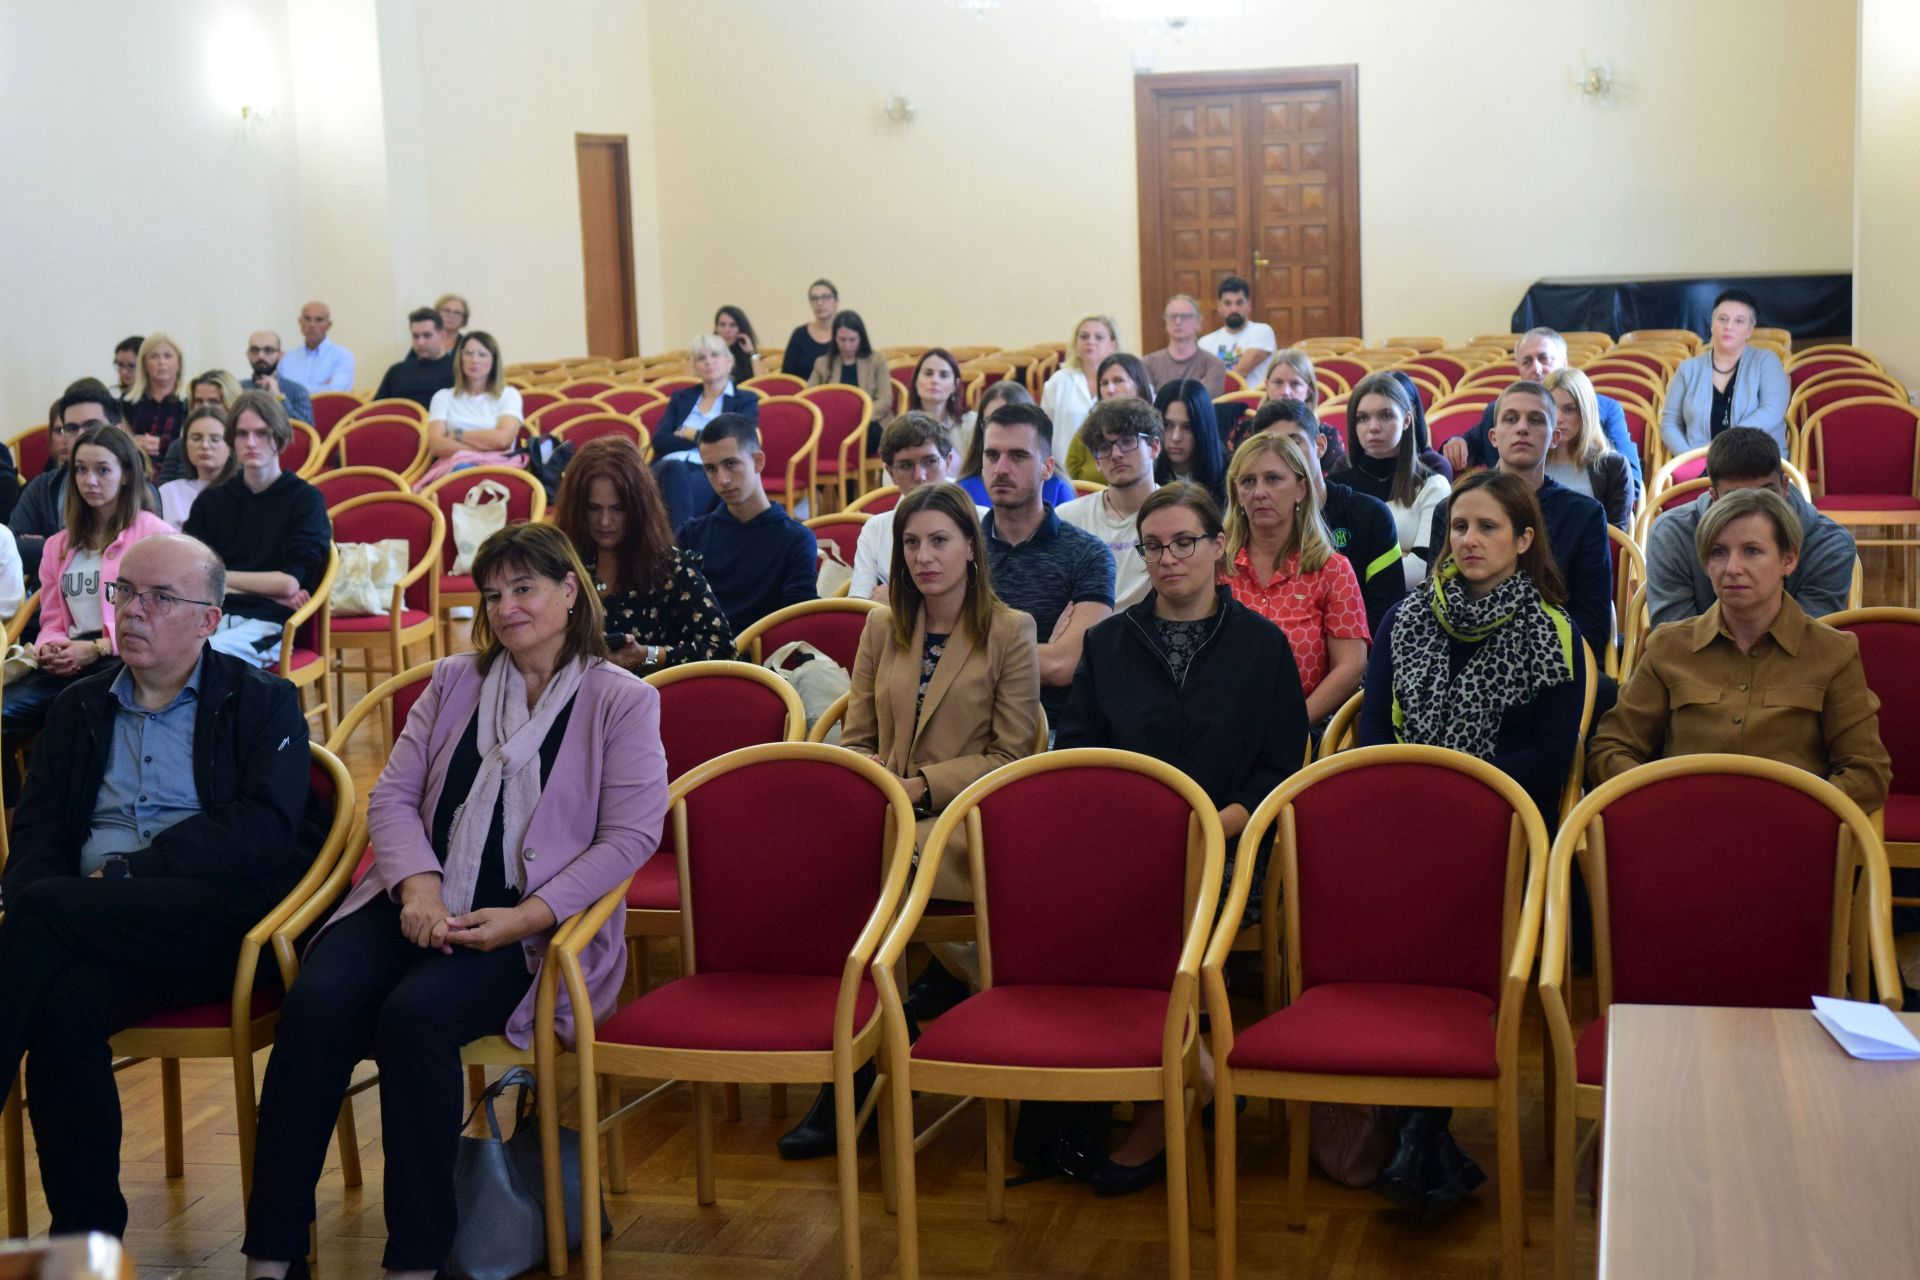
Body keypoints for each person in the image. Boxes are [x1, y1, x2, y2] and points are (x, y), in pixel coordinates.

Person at [242, 522, 668, 1280]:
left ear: (570, 591)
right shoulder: (453, 681)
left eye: (524, 589)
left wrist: (528, 916)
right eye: (493, 594)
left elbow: (631, 837)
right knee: (316, 1001)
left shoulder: (620, 700)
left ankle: (417, 1256)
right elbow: (395, 797)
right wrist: (419, 885)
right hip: (413, 897)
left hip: (526, 925)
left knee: (415, 1019)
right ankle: (273, 1252)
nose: (506, 609)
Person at [0, 534, 315, 1241]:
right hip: (98, 926)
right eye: (124, 592)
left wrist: (131, 873)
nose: (132, 611)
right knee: (59, 1008)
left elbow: (262, 831)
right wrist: (59, 893)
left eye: (159, 597)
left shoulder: (261, 702)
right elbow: (41, 834)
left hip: (219, 926)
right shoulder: (79, 707)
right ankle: (86, 1240)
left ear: (209, 619)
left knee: (42, 912)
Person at [1057, 482, 1308, 1194]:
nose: (1168, 559)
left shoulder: (1261, 647)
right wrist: (1129, 830)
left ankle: (1163, 1089)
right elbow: (1079, 753)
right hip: (1124, 846)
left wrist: (1211, 825)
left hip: (1230, 846)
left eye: (1183, 543)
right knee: (1066, 902)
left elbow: (1282, 766)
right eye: (1154, 546)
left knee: (1156, 903)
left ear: (1217, 546)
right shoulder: (1109, 642)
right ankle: (1181, 1070)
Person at [780, 483, 1041, 1160]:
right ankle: (865, 1053)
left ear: (970, 551)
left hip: (966, 822)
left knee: (854, 876)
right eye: (912, 543)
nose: (924, 556)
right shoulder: (882, 626)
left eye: (940, 541)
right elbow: (858, 733)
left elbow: (1013, 754)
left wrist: (921, 787)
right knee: (819, 859)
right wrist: (872, 782)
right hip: (888, 814)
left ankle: (861, 1069)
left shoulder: (1011, 631)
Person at [1357, 469, 1588, 1221]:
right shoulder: (1406, 618)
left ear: (1524, 541)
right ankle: (1422, 1135)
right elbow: (1370, 737)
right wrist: (1415, 800)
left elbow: (1549, 763)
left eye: (1488, 528)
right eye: (1459, 528)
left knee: (1445, 909)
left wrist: (1453, 793)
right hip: (1401, 818)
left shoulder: (1552, 630)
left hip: (1504, 829)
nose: (1469, 541)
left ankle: (1419, 1131)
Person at [1590, 486, 1889, 812]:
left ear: (1788, 560)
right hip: (1683, 829)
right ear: (1705, 563)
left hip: (1791, 841)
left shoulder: (1833, 652)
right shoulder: (1669, 646)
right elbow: (1611, 748)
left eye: (1751, 551)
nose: (1732, 567)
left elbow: (1867, 771)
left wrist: (1801, 817)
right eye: (1718, 552)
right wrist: (1662, 803)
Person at [1, 423, 173, 769]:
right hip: (68, 661)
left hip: (126, 661)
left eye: (102, 470)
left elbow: (161, 621)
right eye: (81, 470)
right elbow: (52, 619)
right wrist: (51, 645)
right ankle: (11, 816)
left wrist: (96, 648)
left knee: (72, 720)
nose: (89, 480)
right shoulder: (59, 545)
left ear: (126, 474)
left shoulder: (155, 536)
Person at [1429, 382, 1612, 663]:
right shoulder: (1453, 510)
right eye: (1511, 419)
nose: (1522, 428)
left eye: (1536, 420)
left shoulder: (1584, 515)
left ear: (1554, 437)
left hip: (1550, 661)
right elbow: (1437, 600)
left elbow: (1591, 624)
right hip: (1465, 655)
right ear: (1493, 436)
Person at [978, 401, 1114, 725]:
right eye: (992, 455)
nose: (1001, 468)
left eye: (1018, 456)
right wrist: (1036, 651)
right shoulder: (958, 550)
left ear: (1047, 467)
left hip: (1052, 731)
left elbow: (1062, 666)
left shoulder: (1089, 555)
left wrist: (964, 653)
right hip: (965, 726)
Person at [1224, 431, 1369, 725]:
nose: (1259, 492)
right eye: (1248, 481)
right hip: (1221, 727)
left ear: (1301, 489)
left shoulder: (1333, 570)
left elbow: (1351, 667)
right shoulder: (1215, 568)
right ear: (1236, 493)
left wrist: (1291, 725)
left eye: (1273, 479)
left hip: (1305, 729)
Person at [553, 436, 733, 669]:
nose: (605, 521)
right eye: (593, 508)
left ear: (638, 508)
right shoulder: (559, 564)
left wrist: (649, 655)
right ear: (577, 509)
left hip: (657, 696)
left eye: (618, 509)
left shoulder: (669, 567)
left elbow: (723, 649)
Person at [1646, 427, 1854, 626]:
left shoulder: (1829, 544)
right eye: (1736, 498)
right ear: (1714, 497)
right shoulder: (1672, 535)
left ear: (1785, 486)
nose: (1755, 508)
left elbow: (1811, 642)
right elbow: (1674, 641)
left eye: (1767, 493)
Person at [182, 392, 332, 667]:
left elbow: (289, 582)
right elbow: (192, 578)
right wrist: (268, 588)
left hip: (272, 623)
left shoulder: (305, 500)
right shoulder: (212, 501)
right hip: (213, 615)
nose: (251, 443)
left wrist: (221, 579)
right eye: (242, 434)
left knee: (204, 658)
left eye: (262, 433)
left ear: (280, 437)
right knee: (165, 654)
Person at [1441, 328, 1644, 493]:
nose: (1536, 369)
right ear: (1518, 368)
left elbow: (1631, 482)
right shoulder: (1501, 411)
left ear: (1564, 363)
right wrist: (1456, 442)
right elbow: (1470, 444)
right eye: (1527, 362)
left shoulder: (1606, 409)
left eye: (1544, 359)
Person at [674, 414, 818, 635]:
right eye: (711, 469)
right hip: (700, 662)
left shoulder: (795, 539)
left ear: (758, 461)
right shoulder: (691, 535)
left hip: (767, 665)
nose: (722, 479)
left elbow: (797, 626)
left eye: (731, 464)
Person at [1331, 373, 1452, 588]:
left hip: (1406, 611)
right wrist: (1399, 557)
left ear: (1406, 420)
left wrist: (1352, 566)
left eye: (1385, 416)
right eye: (1363, 418)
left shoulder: (1433, 485)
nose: (1373, 427)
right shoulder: (1334, 486)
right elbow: (1317, 567)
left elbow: (1422, 571)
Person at [850, 412, 985, 602]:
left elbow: (992, 600)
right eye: (906, 466)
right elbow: (860, 605)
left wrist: (899, 598)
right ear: (890, 472)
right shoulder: (875, 530)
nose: (920, 476)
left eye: (930, 462)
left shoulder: (982, 521)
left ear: (947, 462)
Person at [1659, 288, 1793, 456]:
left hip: (1757, 458)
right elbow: (1669, 422)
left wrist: (1726, 445)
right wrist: (1689, 457)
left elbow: (1772, 411)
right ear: (1712, 324)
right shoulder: (1688, 369)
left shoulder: (1766, 362)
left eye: (1739, 321)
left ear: (1750, 330)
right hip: (1698, 462)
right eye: (1722, 319)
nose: (1729, 326)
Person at [1058, 398, 1162, 610]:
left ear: (1154, 447)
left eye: (1127, 441)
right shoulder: (1067, 519)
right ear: (1096, 461)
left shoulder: (1178, 516)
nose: (1116, 454)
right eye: (1104, 447)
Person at [649, 333, 760, 528]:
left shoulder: (745, 399)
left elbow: (736, 441)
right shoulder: (681, 397)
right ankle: (683, 547)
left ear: (729, 361)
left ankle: (679, 547)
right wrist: (707, 437)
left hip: (712, 470)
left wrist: (691, 433)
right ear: (695, 366)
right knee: (671, 471)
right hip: (667, 466)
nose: (708, 361)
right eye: (701, 358)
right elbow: (660, 440)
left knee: (675, 484)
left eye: (715, 355)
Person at [15, 382, 118, 583]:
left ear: (118, 430)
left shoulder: (138, 488)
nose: (81, 435)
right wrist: (87, 549)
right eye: (70, 428)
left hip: (117, 606)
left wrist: (51, 545)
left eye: (92, 426)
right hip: (48, 602)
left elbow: (134, 554)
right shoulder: (41, 487)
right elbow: (14, 550)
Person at [418, 331, 525, 486]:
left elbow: (502, 440)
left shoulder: (509, 395)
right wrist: (488, 444)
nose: (474, 360)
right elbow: (436, 446)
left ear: (493, 361)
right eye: (468, 353)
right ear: (460, 358)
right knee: (463, 471)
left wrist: (456, 433)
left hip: (498, 468)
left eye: (482, 354)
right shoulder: (442, 397)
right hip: (453, 469)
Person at [957, 381, 1075, 508]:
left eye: (1018, 456)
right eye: (991, 420)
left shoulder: (1058, 489)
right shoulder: (964, 491)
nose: (1001, 427)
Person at [1543, 367, 1633, 529]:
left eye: (1569, 409)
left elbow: (1615, 541)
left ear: (1586, 412)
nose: (1558, 419)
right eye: (1551, 409)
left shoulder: (1613, 466)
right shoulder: (1529, 461)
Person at [1039, 314, 1121, 468]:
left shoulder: (1126, 380)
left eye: (1099, 337)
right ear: (1076, 344)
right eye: (1084, 336)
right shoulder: (1059, 381)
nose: (1090, 341)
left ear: (1113, 345)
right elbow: (1043, 431)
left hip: (1112, 469)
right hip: (1064, 472)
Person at [1064, 352, 1159, 482]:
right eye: (1104, 383)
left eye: (1118, 381)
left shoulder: (1152, 425)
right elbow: (1071, 473)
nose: (1110, 390)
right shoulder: (1090, 426)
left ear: (1138, 386)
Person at [806, 310, 893, 450]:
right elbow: (807, 397)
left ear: (861, 338)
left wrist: (860, 418)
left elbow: (885, 399)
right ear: (834, 338)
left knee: (870, 436)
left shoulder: (876, 360)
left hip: (869, 423)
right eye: (842, 339)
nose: (847, 346)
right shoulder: (822, 363)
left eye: (852, 340)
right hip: (832, 426)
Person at [158, 406, 237, 526]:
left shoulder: (243, 493)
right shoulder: (169, 492)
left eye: (215, 439)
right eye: (196, 438)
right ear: (185, 445)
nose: (205, 445)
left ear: (231, 446)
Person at [1152, 380, 1228, 504]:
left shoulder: (1229, 475)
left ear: (1204, 429)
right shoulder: (1142, 471)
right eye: (1167, 425)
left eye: (1187, 427)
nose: (1176, 437)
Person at [1201, 275, 1278, 388]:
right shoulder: (1205, 342)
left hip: (1254, 402)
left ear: (1249, 305)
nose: (1234, 309)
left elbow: (1241, 372)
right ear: (1219, 307)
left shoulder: (1262, 331)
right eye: (1228, 303)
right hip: (1217, 402)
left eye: (1239, 303)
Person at [1144, 294, 1228, 396]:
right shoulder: (1147, 364)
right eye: (1172, 316)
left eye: (1185, 317)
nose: (1178, 321)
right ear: (1165, 322)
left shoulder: (1214, 365)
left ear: (1199, 323)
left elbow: (1203, 402)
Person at [124, 332, 188, 464]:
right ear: (144, 364)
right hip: (137, 467)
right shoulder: (127, 402)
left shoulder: (189, 401)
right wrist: (132, 443)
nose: (161, 362)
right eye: (154, 356)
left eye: (168, 356)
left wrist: (162, 444)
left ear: (179, 363)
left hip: (177, 469)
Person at [374, 307, 457, 408]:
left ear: (442, 335)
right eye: (415, 336)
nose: (420, 342)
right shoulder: (396, 371)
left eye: (427, 335)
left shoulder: (457, 371)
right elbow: (375, 410)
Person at [278, 300, 356, 392]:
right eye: (307, 318)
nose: (312, 324)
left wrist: (293, 390)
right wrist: (323, 387)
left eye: (319, 320)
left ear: (329, 325)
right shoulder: (287, 357)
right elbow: (278, 392)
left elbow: (336, 393)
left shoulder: (343, 356)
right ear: (300, 322)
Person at [242, 330, 314, 428]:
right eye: (255, 350)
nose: (260, 356)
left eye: (268, 350)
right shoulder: (238, 388)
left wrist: (279, 397)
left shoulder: (297, 390)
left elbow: (306, 431)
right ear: (248, 354)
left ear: (280, 355)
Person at [905, 347, 967, 457]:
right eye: (928, 373)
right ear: (916, 381)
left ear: (955, 385)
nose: (935, 380)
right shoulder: (901, 428)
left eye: (944, 375)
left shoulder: (970, 423)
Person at [781, 278, 842, 380]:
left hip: (839, 393)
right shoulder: (799, 335)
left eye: (825, 297)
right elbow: (787, 377)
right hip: (802, 394)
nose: (819, 303)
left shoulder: (847, 335)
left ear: (836, 301)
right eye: (814, 298)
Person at [713, 304, 763, 384]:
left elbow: (761, 384)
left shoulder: (748, 356)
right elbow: (692, 382)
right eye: (722, 325)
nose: (727, 330)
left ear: (740, 329)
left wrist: (752, 352)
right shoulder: (707, 354)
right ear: (716, 328)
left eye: (732, 325)